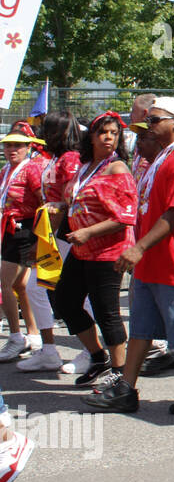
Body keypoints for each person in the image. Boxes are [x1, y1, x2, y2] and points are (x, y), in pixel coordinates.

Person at [85, 98, 174, 415]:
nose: (149, 127)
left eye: (154, 121)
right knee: (141, 329)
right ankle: (127, 389)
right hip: (152, 261)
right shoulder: (161, 158)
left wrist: (139, 247)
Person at [52, 112, 137, 391]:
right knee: (64, 301)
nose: (109, 137)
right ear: (91, 136)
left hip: (108, 251)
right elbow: (79, 198)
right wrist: (63, 208)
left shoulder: (117, 169)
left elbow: (126, 215)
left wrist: (88, 231)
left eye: (114, 133)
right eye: (103, 132)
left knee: (106, 311)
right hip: (81, 250)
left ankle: (120, 372)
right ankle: (98, 357)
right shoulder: (87, 166)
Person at [19, 111, 85, 374]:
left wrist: (48, 234)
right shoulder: (55, 158)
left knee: (83, 295)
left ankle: (92, 351)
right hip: (52, 230)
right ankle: (48, 350)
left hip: (66, 232)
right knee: (36, 286)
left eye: (46, 128)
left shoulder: (70, 159)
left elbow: (71, 199)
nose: (41, 133)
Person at [0, 123, 47, 364]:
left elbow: (44, 203)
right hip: (9, 228)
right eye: (8, 145)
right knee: (19, 285)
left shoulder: (32, 170)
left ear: (29, 147)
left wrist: (38, 237)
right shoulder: (7, 169)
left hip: (24, 229)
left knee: (5, 284)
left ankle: (15, 336)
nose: (11, 150)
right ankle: (33, 334)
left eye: (17, 145)